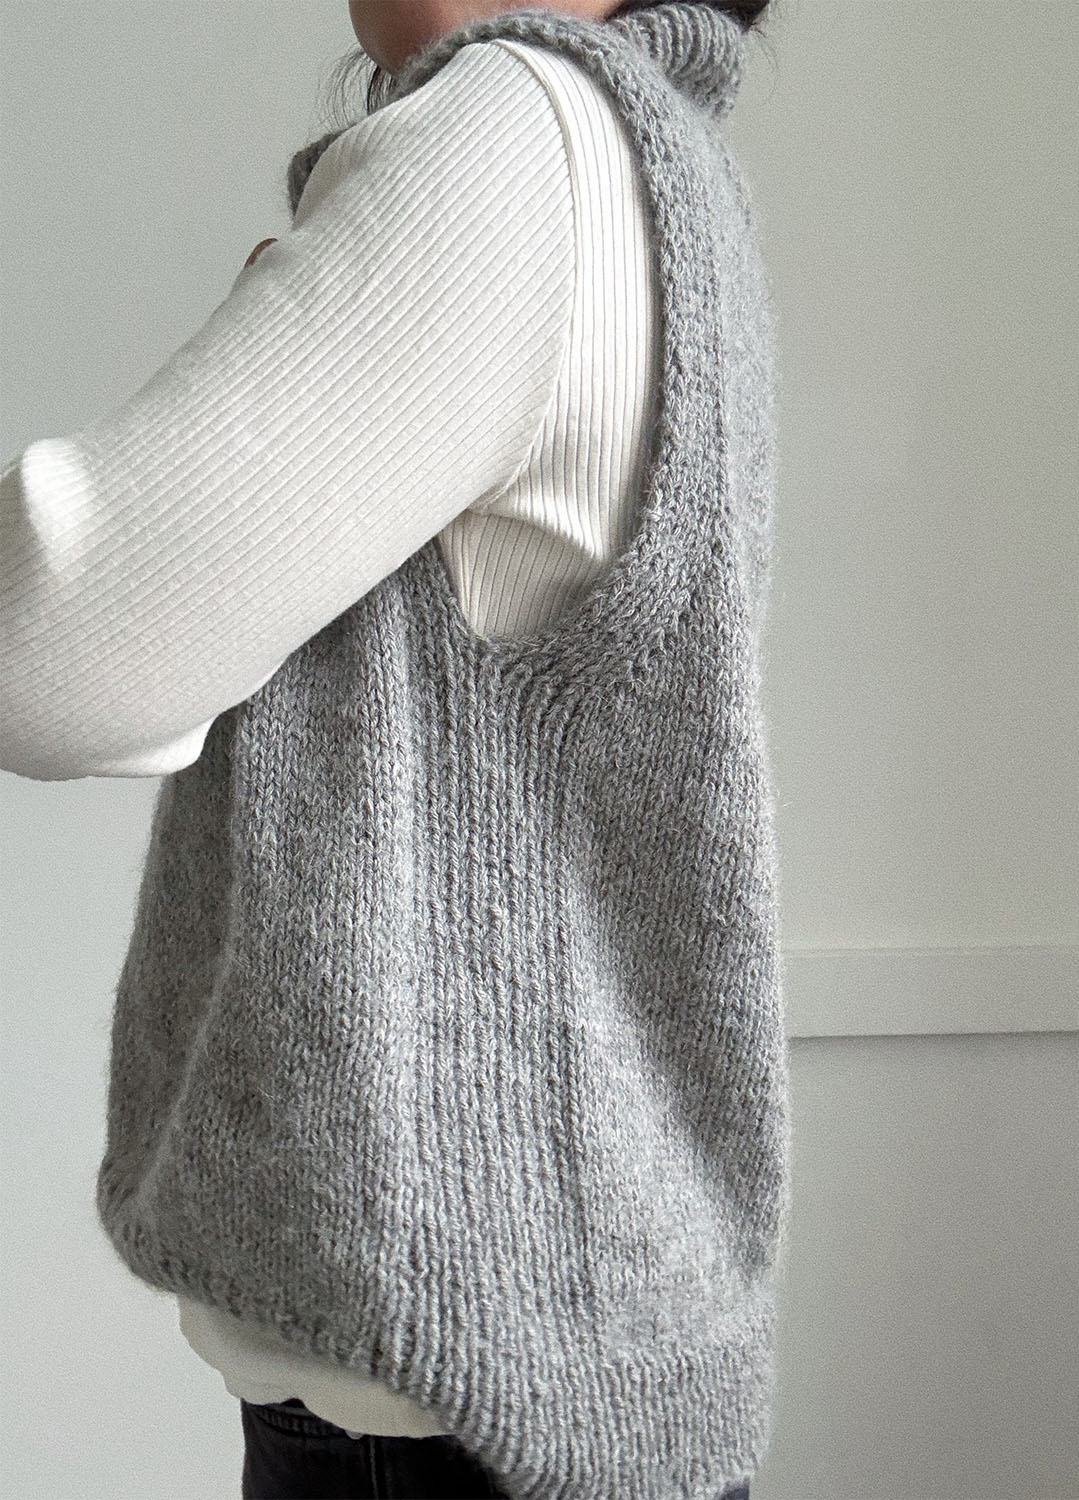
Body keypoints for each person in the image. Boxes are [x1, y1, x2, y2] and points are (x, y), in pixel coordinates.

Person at [0, 0, 785, 1496]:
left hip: (442, 1393)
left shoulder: (511, 138)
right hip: (561, 1341)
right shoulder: (658, 164)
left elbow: (50, 654)